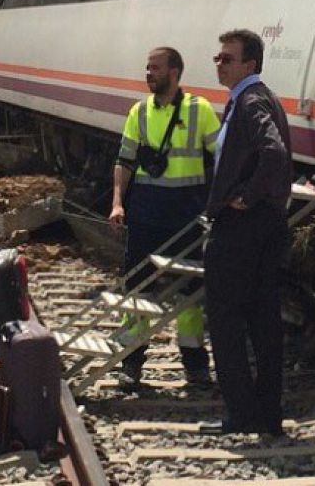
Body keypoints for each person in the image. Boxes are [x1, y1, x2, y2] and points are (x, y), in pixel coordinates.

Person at [109, 47, 222, 390]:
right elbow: (124, 161)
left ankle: (194, 364)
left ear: (174, 72)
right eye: (147, 68)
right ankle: (131, 362)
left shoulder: (199, 110)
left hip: (186, 213)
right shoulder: (139, 112)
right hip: (146, 211)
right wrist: (117, 202)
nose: (148, 74)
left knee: (189, 293)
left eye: (154, 68)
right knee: (138, 287)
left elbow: (222, 157)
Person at [201, 29, 294, 436]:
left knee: (224, 318)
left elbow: (274, 153)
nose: (218, 64)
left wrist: (246, 196)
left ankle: (240, 412)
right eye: (218, 58)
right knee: (263, 319)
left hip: (242, 228)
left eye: (226, 58)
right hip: (266, 225)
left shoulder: (251, 100)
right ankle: (268, 415)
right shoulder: (259, 97)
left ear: (249, 64)